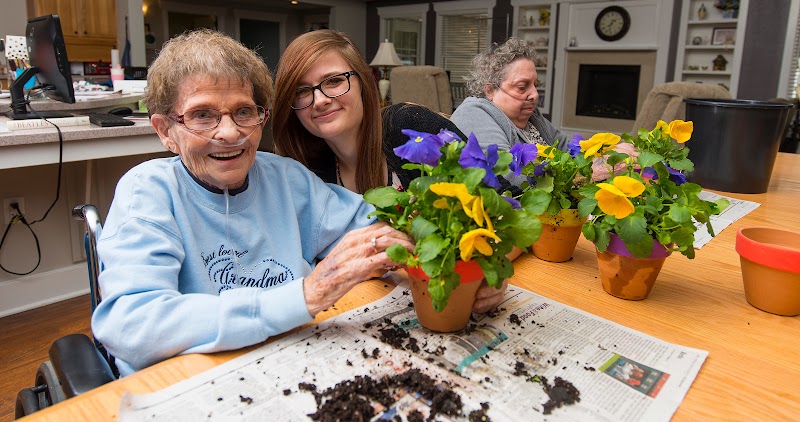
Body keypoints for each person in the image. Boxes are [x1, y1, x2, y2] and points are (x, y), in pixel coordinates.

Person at [91, 30, 414, 375]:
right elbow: (134, 326)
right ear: (165, 130)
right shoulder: (149, 192)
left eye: (244, 112)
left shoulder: (287, 179)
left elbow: (377, 229)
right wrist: (305, 296)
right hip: (194, 378)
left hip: (296, 360)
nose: (229, 133)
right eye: (202, 115)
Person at [271, 29, 506, 312]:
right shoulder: (306, 171)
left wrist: (493, 268)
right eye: (301, 91)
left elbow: (507, 205)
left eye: (333, 81)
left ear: (363, 82)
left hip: (449, 300)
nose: (319, 99)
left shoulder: (407, 126)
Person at [451, 37, 636, 186]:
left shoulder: (531, 116)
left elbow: (566, 147)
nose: (534, 95)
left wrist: (606, 150)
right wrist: (592, 171)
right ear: (490, 90)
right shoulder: (473, 114)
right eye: (522, 87)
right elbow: (508, 177)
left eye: (535, 85)